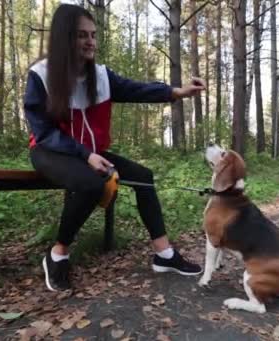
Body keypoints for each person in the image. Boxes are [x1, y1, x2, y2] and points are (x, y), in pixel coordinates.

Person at [23, 4, 204, 292]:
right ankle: (58, 254)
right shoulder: (41, 75)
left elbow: (137, 89)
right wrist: (86, 155)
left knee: (143, 176)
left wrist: (178, 92)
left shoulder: (102, 76)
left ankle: (164, 254)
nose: (91, 41)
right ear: (64, 38)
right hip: (50, 151)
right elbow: (43, 133)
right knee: (92, 183)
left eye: (93, 35)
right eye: (82, 35)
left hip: (90, 153)